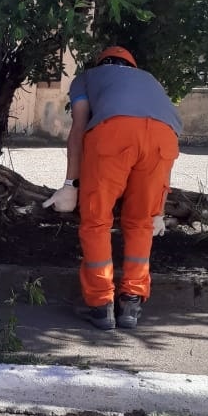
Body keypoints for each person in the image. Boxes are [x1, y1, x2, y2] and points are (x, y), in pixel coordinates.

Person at [43, 45, 182, 330]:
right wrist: (159, 207)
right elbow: (165, 133)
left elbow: (79, 130)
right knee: (142, 222)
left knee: (96, 220)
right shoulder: (150, 80)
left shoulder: (87, 78)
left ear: (102, 63)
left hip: (113, 135)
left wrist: (70, 185)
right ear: (131, 66)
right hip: (163, 139)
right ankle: (131, 302)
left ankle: (100, 306)